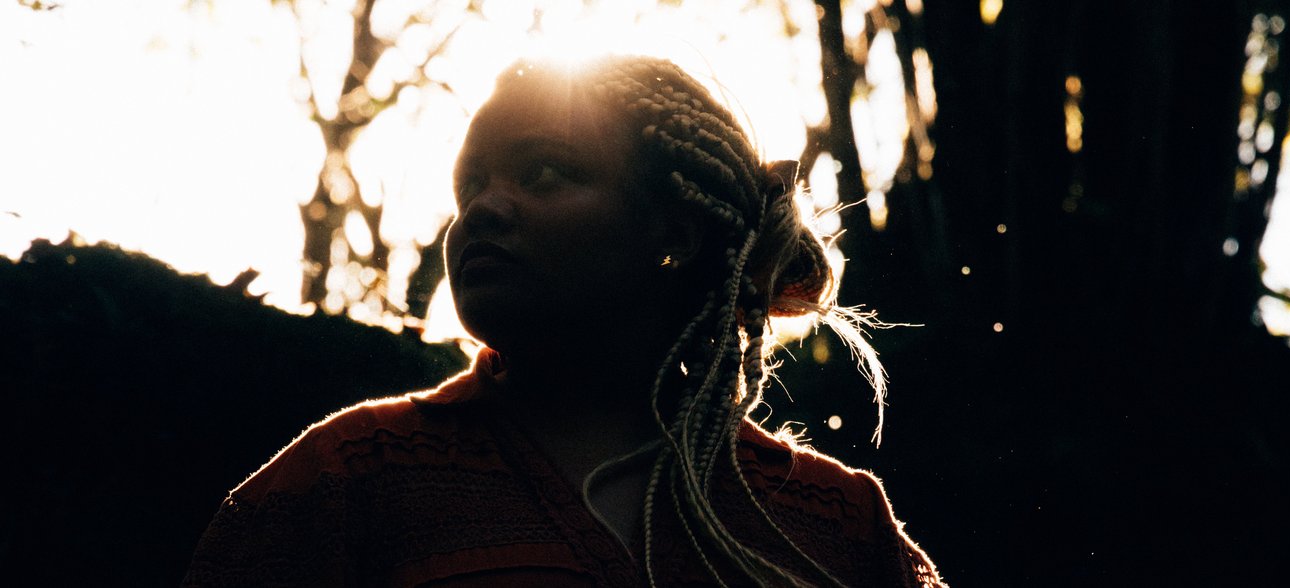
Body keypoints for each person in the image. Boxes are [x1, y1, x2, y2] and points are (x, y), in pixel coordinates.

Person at [184, 55, 945, 587]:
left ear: (674, 234)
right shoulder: (348, 480)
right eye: (470, 187)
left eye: (543, 171)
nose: (482, 209)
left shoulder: (835, 523)